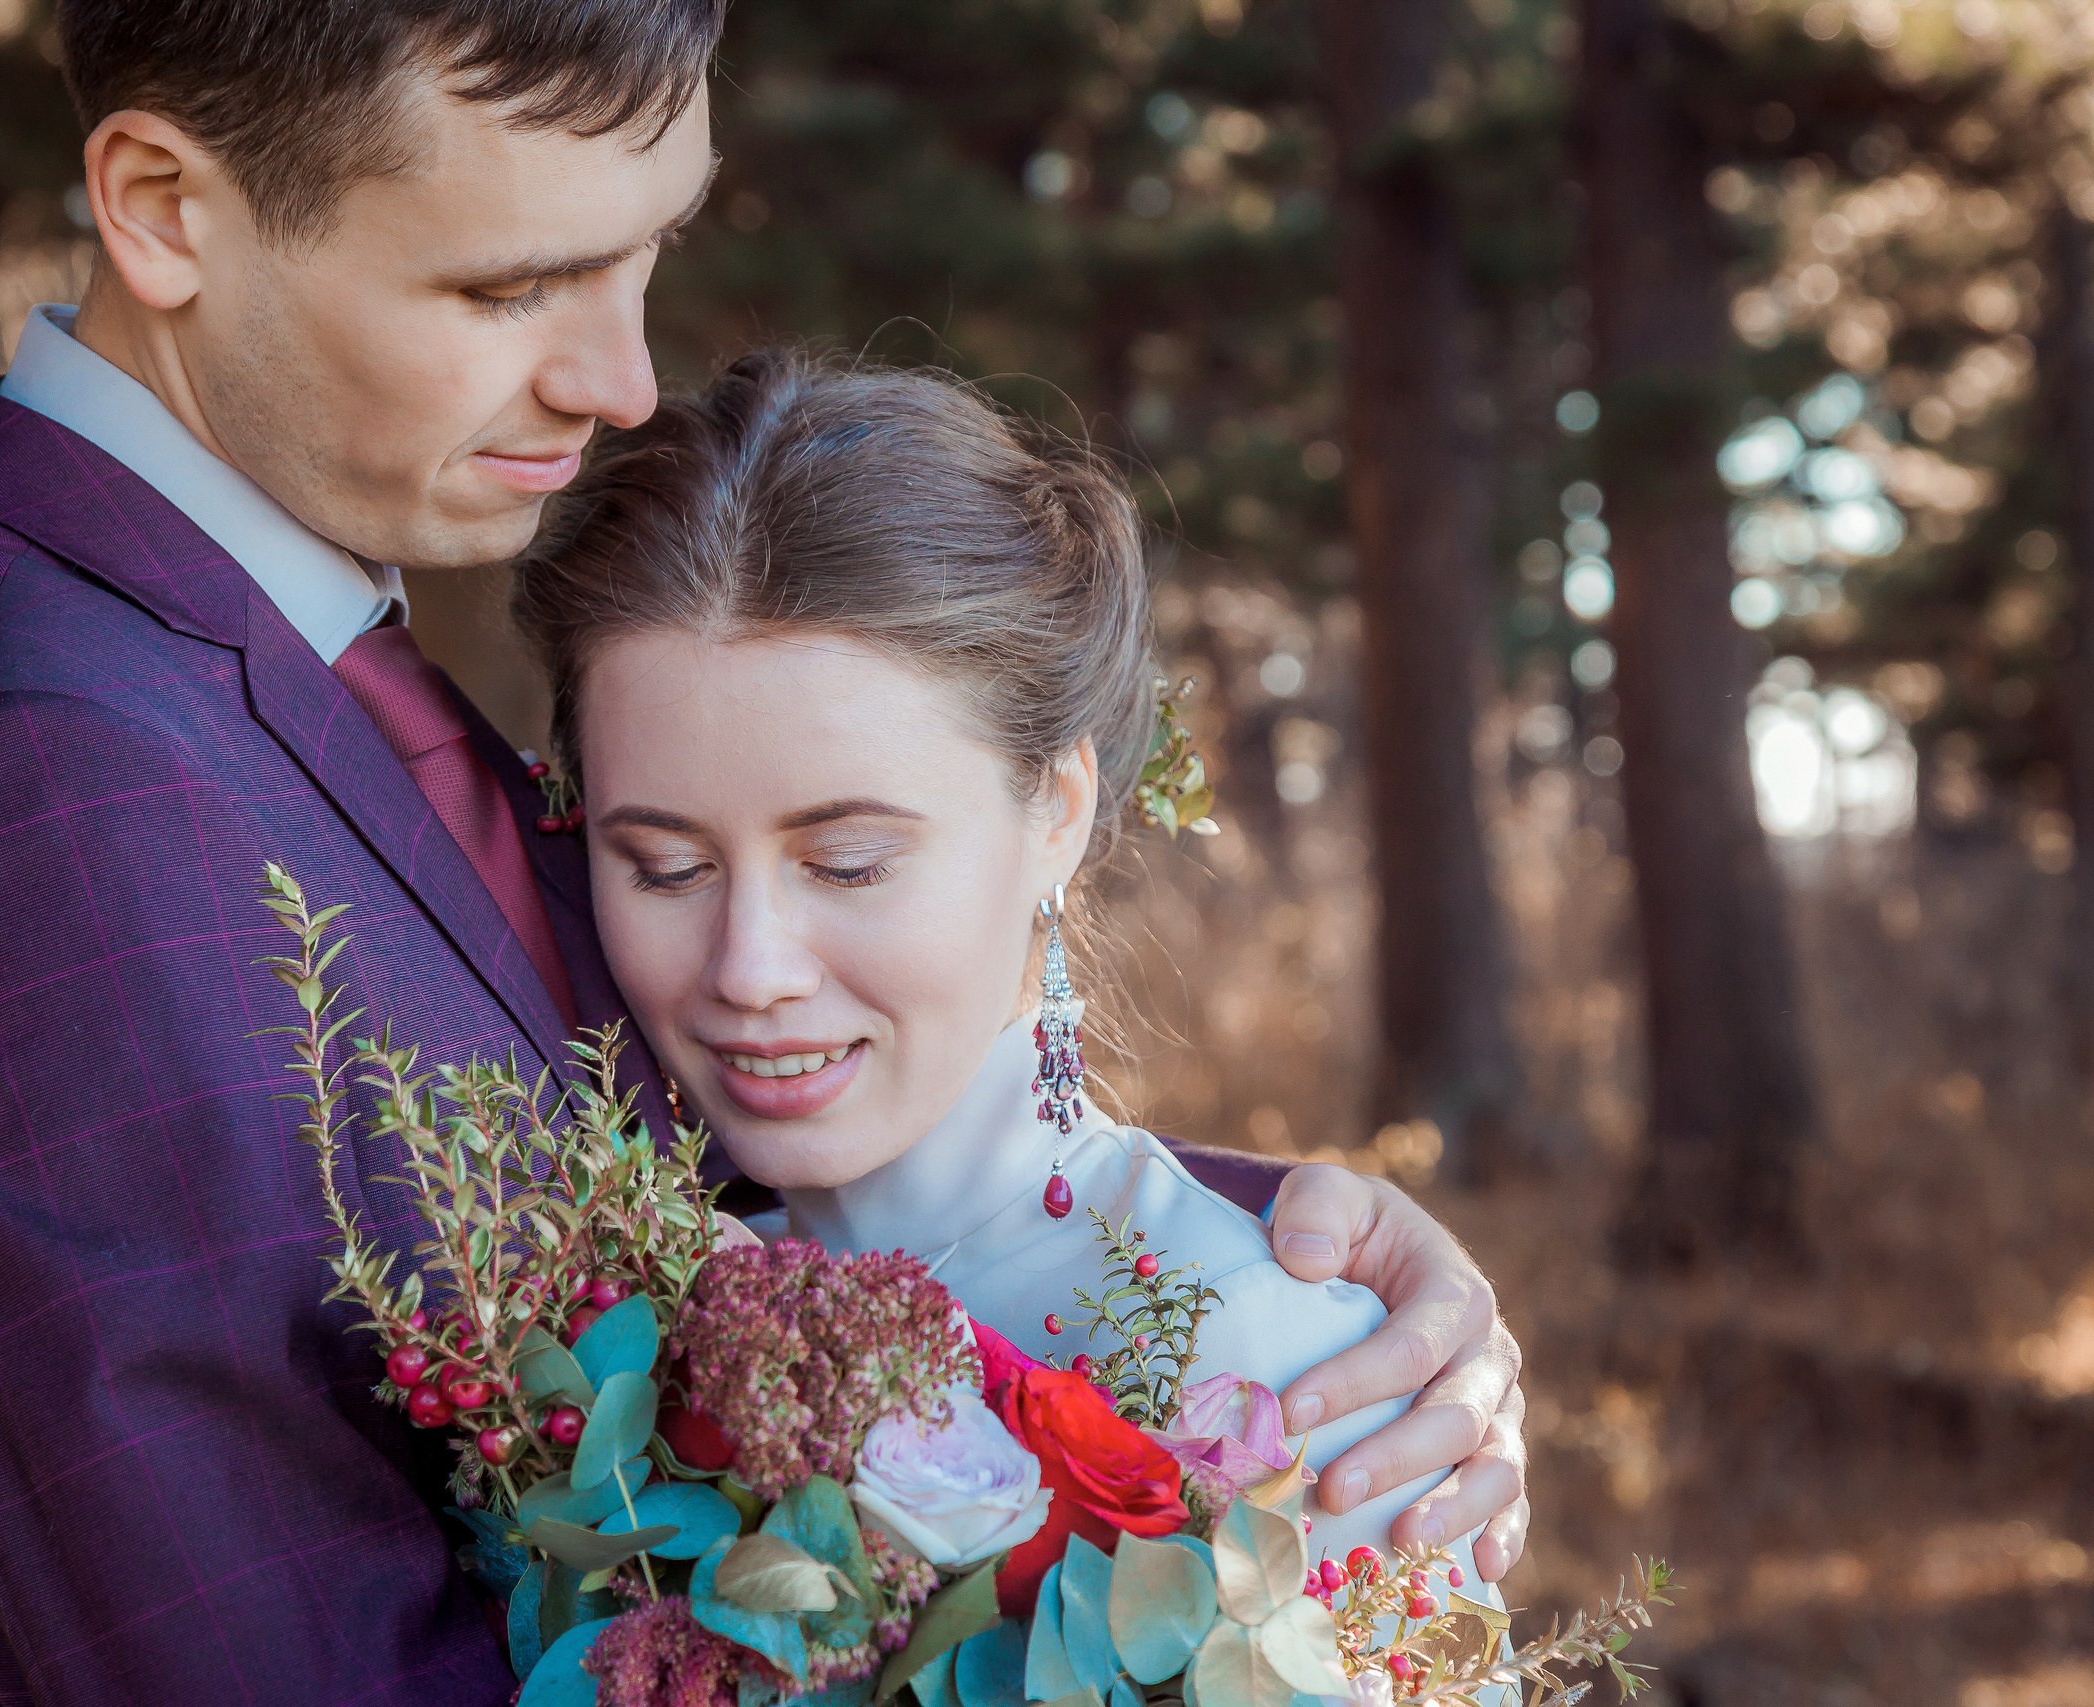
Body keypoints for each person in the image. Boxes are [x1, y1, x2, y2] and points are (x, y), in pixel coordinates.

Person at [0, 7, 1524, 1704]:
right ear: (163, 207)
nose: (620, 377)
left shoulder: (277, 665)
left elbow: (628, 1134)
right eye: (511, 283)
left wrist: (1247, 1290)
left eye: (645, 251)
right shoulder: (25, 782)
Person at [513, 349, 1511, 1589]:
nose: (750, 968)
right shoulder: (591, 1334)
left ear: (1057, 808)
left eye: (851, 861)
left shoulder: (1286, 1369)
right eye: (665, 868)